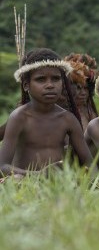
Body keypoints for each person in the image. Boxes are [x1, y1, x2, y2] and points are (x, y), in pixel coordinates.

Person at [0, 48, 92, 177]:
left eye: (55, 79)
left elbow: (89, 164)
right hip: (24, 181)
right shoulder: (19, 117)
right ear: (26, 85)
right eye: (41, 79)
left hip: (58, 183)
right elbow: (2, 166)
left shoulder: (68, 119)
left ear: (62, 83)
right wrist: (38, 175)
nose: (50, 85)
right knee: (17, 178)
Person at [65, 53, 98, 130]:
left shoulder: (91, 111)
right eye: (78, 88)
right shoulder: (62, 114)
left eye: (86, 88)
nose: (83, 93)